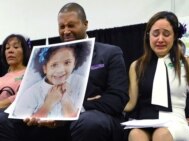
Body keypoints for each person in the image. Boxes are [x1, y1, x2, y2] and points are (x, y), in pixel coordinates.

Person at [0, 2, 128, 141]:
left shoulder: (110, 53)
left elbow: (117, 99)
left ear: (85, 24)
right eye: (62, 27)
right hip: (50, 116)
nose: (66, 31)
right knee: (3, 120)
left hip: (92, 116)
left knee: (88, 122)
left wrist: (74, 109)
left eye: (71, 25)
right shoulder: (46, 56)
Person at [123, 11, 189, 141]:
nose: (160, 39)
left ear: (175, 36)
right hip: (145, 121)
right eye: (155, 34)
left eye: (166, 34)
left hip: (175, 121)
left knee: (161, 134)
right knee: (135, 135)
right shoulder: (137, 66)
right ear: (148, 36)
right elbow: (130, 103)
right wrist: (106, 100)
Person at [12, 43, 90, 118]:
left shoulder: (80, 82)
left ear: (74, 63)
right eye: (54, 65)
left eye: (67, 63)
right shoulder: (32, 93)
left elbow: (79, 119)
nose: (60, 70)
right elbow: (21, 119)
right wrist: (48, 103)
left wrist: (65, 99)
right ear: (45, 68)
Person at [0, 34, 30, 110]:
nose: (10, 51)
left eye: (16, 47)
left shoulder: (29, 73)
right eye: (7, 48)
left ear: (24, 51)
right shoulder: (1, 78)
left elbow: (20, 98)